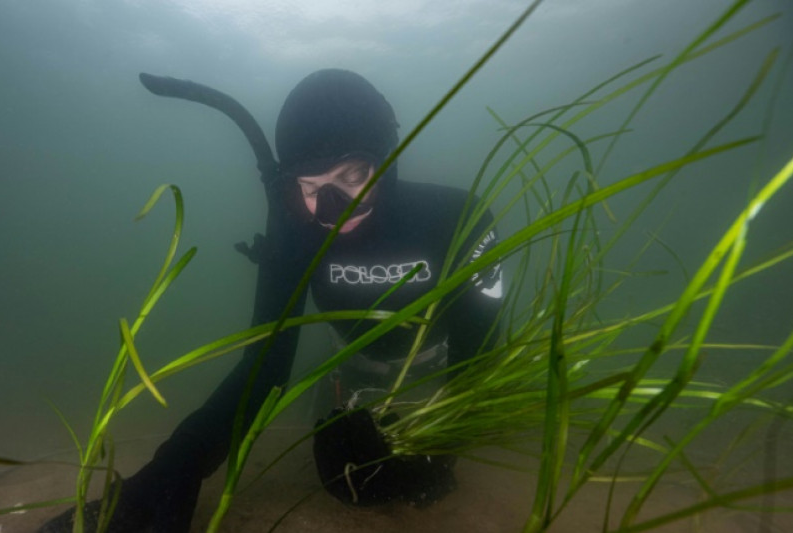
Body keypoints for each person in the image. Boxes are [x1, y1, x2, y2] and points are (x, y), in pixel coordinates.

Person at [41, 68, 503, 533]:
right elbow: (264, 366)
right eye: (309, 185)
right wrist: (172, 470)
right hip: (357, 364)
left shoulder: (456, 219)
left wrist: (437, 455)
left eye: (353, 174)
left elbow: (477, 356)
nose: (329, 210)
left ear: (387, 160)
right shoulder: (296, 233)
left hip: (439, 360)